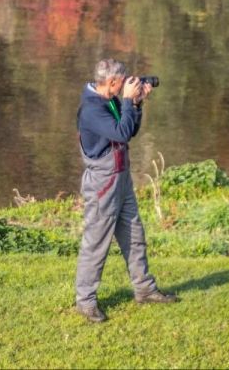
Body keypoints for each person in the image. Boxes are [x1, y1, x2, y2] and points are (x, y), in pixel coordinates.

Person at [74, 58, 178, 323]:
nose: (125, 87)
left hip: (121, 179)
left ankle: (145, 289)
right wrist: (129, 101)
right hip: (103, 183)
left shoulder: (108, 100)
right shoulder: (92, 109)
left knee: (134, 236)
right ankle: (85, 302)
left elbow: (129, 129)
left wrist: (136, 104)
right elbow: (121, 133)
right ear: (112, 82)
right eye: (122, 83)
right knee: (96, 243)